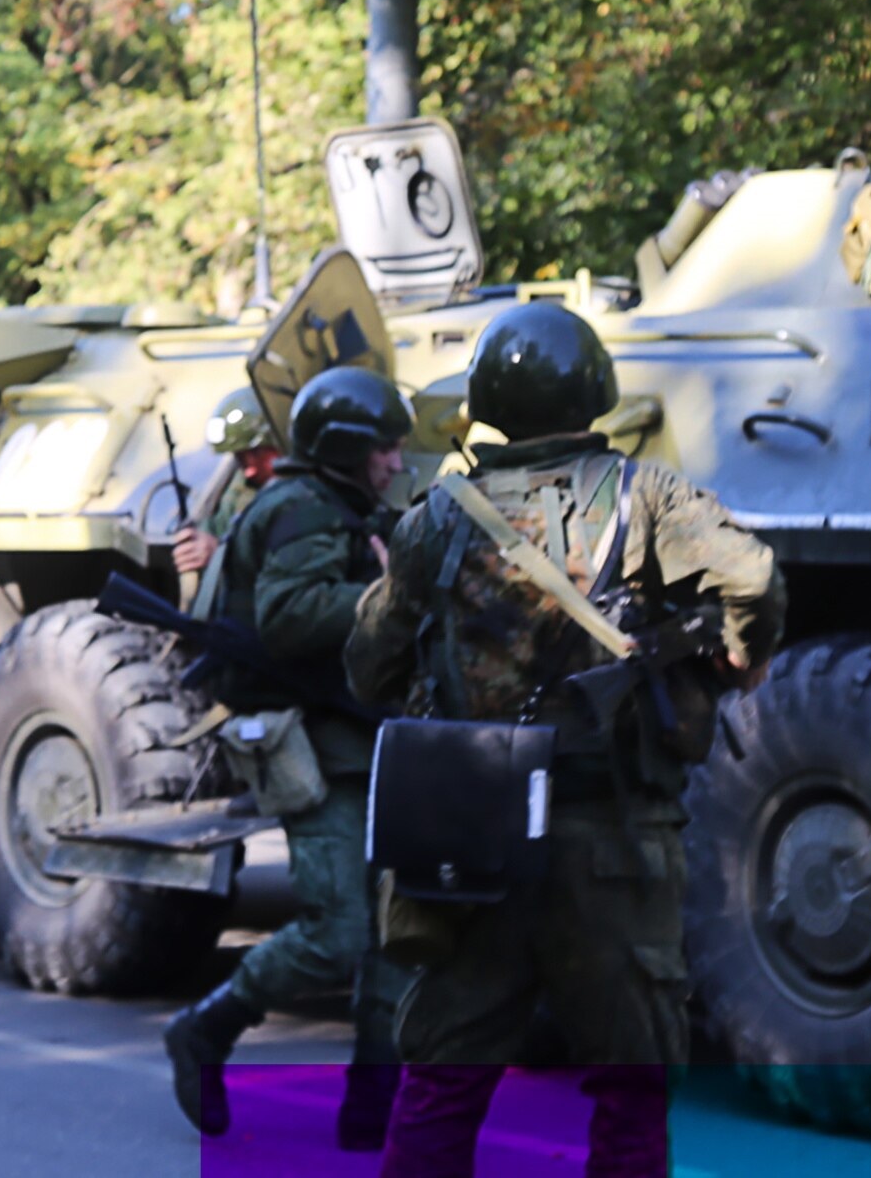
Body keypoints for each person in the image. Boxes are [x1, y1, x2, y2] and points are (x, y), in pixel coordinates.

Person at [345, 303, 785, 1177]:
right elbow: (755, 575)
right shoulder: (647, 496)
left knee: (443, 1086)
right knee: (629, 1094)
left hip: (474, 846)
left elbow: (366, 666)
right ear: (594, 391)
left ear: (488, 401)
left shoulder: (435, 518)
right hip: (614, 842)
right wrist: (743, 653)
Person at [162, 366, 414, 1150]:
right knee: (339, 931)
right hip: (315, 750)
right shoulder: (300, 508)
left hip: (369, 745)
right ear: (344, 448)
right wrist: (394, 592)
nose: (396, 462)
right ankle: (206, 1028)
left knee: (398, 932)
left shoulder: (345, 506)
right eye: (384, 448)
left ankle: (373, 1106)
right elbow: (291, 614)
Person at [172, 387, 280, 579]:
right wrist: (197, 541)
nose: (249, 470)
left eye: (256, 453)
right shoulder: (245, 484)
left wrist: (222, 553)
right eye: (240, 458)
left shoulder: (309, 492)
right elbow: (216, 524)